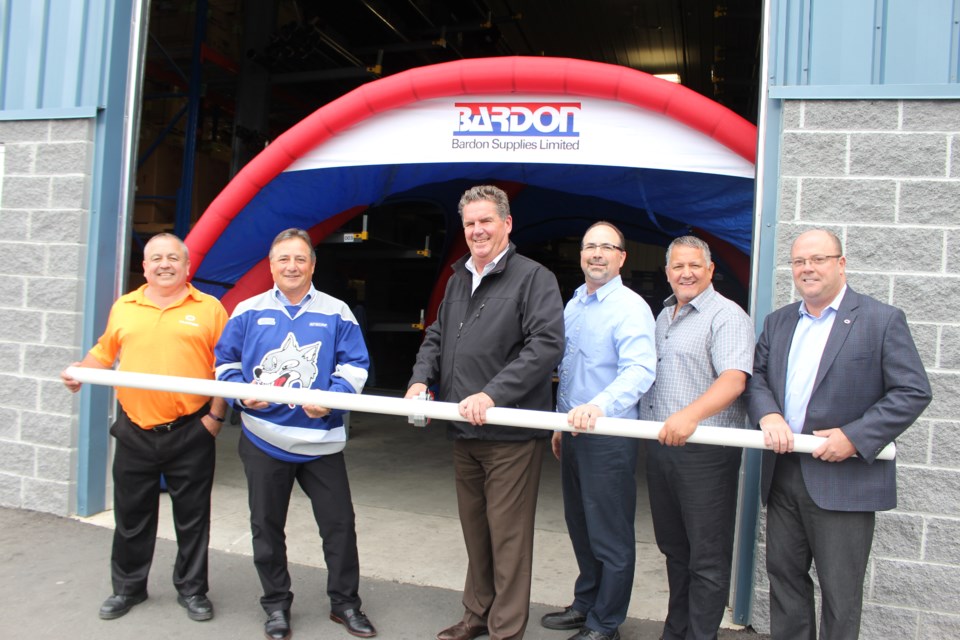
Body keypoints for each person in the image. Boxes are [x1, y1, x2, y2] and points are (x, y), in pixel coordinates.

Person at [746, 229, 932, 640]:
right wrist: (769, 414)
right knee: (784, 580)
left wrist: (855, 436)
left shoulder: (881, 320)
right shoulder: (778, 322)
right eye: (798, 262)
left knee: (841, 593)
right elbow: (757, 378)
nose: (807, 269)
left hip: (843, 477)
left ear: (841, 263)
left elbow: (913, 390)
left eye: (818, 259)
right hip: (784, 473)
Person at [405, 185, 565, 640]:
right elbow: (435, 337)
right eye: (470, 223)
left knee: (508, 540)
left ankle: (505, 630)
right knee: (477, 533)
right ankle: (476, 616)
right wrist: (421, 379)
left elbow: (546, 346)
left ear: (507, 224)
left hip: (510, 435)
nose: (477, 230)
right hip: (463, 432)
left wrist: (492, 395)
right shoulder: (458, 279)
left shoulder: (534, 278)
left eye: (486, 221)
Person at [215, 228, 376, 640]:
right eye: (284, 259)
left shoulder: (337, 311)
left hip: (320, 441)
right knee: (266, 527)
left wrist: (334, 397)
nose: (292, 266)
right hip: (263, 437)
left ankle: (345, 605)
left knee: (339, 525)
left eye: (300, 259)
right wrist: (240, 398)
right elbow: (225, 363)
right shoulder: (247, 310)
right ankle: (275, 607)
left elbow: (355, 366)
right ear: (271, 265)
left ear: (313, 265)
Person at [60, 233, 228, 622]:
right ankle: (128, 589)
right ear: (146, 265)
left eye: (173, 258)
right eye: (156, 258)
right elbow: (103, 353)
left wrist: (214, 420)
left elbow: (226, 368)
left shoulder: (209, 308)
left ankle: (192, 591)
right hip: (135, 430)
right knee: (132, 517)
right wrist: (79, 373)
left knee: (192, 519)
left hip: (191, 430)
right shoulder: (125, 306)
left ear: (187, 267)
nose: (164, 264)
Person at [540, 222, 656, 640]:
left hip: (608, 435)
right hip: (572, 432)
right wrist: (560, 419)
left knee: (610, 535)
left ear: (622, 257)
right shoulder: (574, 305)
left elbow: (640, 370)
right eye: (590, 246)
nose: (597, 254)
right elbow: (567, 370)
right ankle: (586, 603)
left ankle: (606, 623)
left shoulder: (630, 307)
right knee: (581, 526)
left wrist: (597, 407)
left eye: (607, 247)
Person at [639, 235, 755, 640]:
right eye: (677, 266)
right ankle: (677, 631)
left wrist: (688, 416)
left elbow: (734, 380)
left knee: (706, 557)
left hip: (706, 453)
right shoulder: (663, 315)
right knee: (675, 550)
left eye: (694, 265)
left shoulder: (727, 316)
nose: (685, 273)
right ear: (667, 272)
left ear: (710, 270)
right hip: (663, 449)